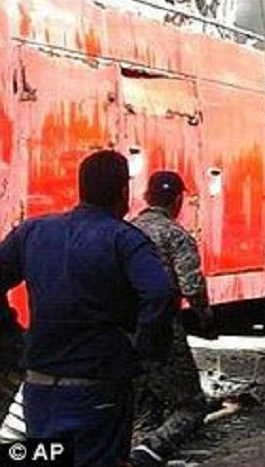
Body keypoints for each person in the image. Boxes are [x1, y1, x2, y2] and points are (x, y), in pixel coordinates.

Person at [0, 150, 176, 466]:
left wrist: (12, 335)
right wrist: (146, 349)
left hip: (39, 389)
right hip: (98, 392)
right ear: (124, 192)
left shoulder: (33, 232)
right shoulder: (124, 239)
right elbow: (160, 293)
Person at [130, 171, 212, 467]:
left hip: (125, 331)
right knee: (190, 406)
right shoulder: (176, 235)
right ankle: (153, 448)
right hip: (163, 329)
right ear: (177, 200)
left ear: (147, 197)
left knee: (143, 407)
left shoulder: (126, 230)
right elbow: (191, 286)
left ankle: (138, 452)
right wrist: (206, 317)